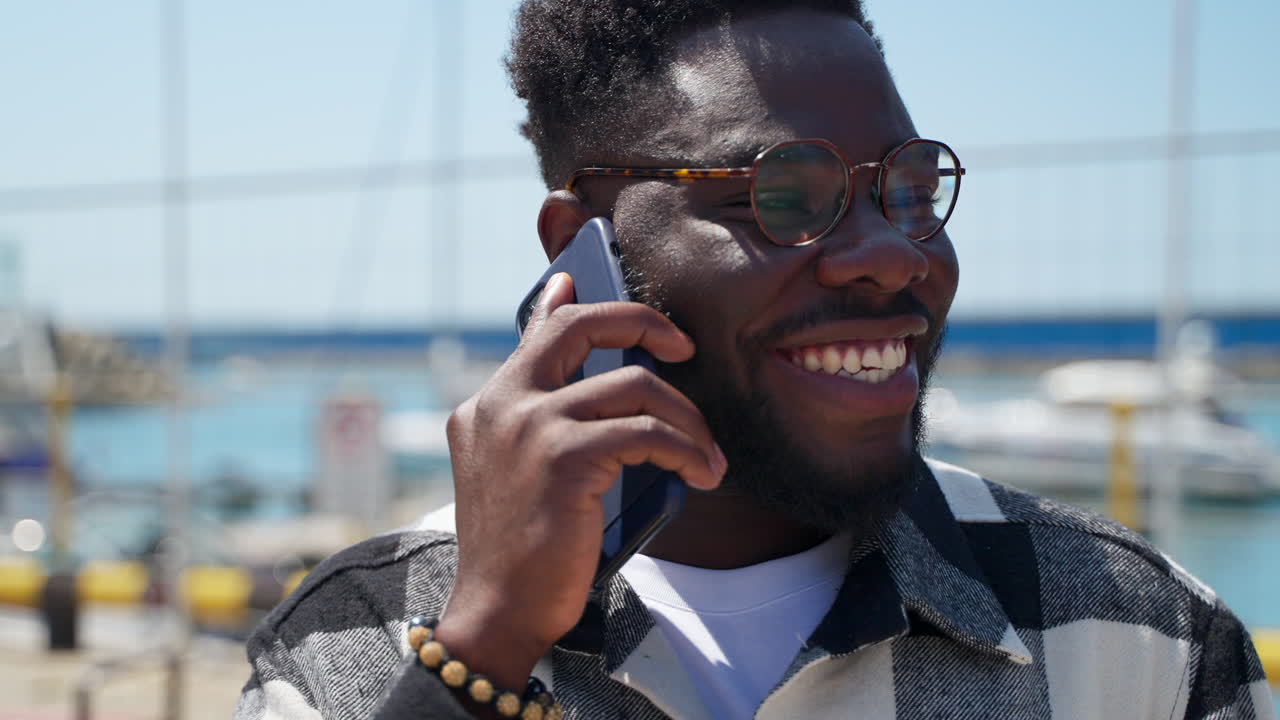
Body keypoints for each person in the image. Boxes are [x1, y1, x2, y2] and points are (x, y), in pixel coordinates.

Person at [235, 2, 1274, 718]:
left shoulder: (1135, 634)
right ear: (579, 243)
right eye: (781, 193)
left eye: (906, 188)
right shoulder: (352, 643)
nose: (885, 255)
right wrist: (484, 650)